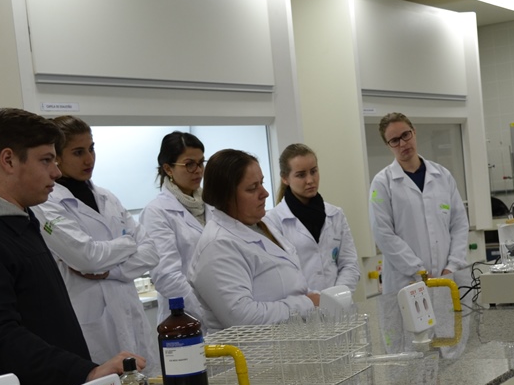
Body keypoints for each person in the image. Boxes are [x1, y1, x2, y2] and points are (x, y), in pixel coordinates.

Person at [0, 108, 144, 385]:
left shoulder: (22, 221)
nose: (56, 173)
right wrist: (85, 372)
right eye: (46, 160)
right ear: (8, 160)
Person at [34, 116, 158, 365]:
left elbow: (151, 252)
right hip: (91, 325)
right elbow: (87, 258)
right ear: (56, 157)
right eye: (78, 152)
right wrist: (129, 243)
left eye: (91, 149)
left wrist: (111, 270)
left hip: (130, 316)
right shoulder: (45, 205)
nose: (89, 159)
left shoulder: (107, 198)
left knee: (148, 384)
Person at [190, 149, 319, 331]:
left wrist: (314, 299)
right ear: (226, 196)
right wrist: (306, 304)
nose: (264, 193)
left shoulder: (261, 225)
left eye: (262, 183)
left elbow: (291, 284)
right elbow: (242, 318)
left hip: (288, 340)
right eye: (252, 188)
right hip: (249, 348)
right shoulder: (217, 245)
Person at [368, 112, 469, 295]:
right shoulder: (382, 183)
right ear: (388, 145)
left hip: (446, 279)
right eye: (395, 140)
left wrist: (452, 266)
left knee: (449, 314)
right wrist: (418, 270)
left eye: (405, 135)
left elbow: (459, 224)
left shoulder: (442, 176)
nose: (403, 144)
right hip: (405, 283)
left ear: (414, 132)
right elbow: (383, 234)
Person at [263, 143, 360, 292]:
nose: (310, 180)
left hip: (339, 301)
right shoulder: (272, 222)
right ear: (285, 178)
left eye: (313, 171)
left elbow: (349, 264)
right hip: (300, 303)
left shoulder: (335, 214)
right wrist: (314, 300)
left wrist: (336, 297)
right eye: (301, 175)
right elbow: (281, 275)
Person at [139, 131, 207, 325]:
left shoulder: (210, 204)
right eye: (189, 164)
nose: (198, 170)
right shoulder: (157, 212)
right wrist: (207, 314)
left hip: (222, 307)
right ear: (168, 169)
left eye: (201, 163)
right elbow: (167, 276)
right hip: (187, 319)